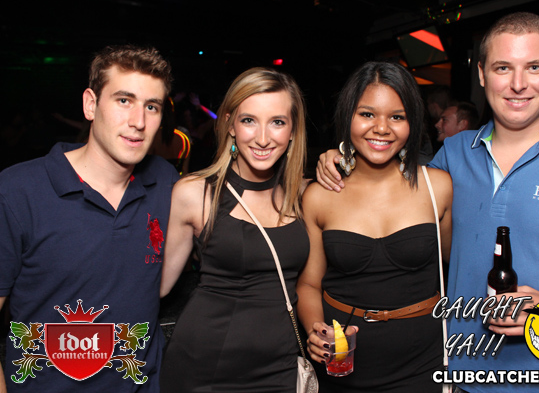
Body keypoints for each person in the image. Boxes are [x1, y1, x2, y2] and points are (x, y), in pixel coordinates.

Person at [316, 12, 539, 392]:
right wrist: (342, 159)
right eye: (503, 68)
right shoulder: (454, 154)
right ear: (481, 74)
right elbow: (386, 187)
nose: (518, 84)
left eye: (534, 67)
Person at [0, 45, 179, 392]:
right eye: (124, 100)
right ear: (90, 105)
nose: (139, 122)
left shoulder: (167, 184)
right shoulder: (17, 191)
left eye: (152, 106)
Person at [297, 61, 452, 392]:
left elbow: (459, 266)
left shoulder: (437, 186)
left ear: (412, 122)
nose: (381, 128)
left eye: (397, 117)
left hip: (424, 361)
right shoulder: (319, 195)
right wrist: (315, 330)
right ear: (347, 117)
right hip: (342, 363)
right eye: (367, 114)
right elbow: (309, 284)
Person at [159, 67, 308, 392]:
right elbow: (155, 287)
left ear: (293, 130)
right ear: (230, 124)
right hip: (205, 366)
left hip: (280, 366)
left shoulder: (305, 195)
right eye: (249, 120)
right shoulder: (196, 193)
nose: (263, 138)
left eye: (277, 122)